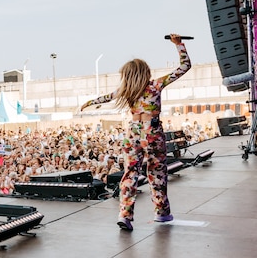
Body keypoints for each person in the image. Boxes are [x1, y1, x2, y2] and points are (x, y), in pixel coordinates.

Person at [80, 34, 191, 231]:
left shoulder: (126, 90)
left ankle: (125, 215)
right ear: (144, 72)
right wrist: (179, 44)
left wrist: (89, 104)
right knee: (157, 172)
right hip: (152, 131)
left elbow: (105, 97)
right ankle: (162, 212)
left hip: (133, 133)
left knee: (130, 174)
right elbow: (184, 67)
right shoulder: (155, 85)